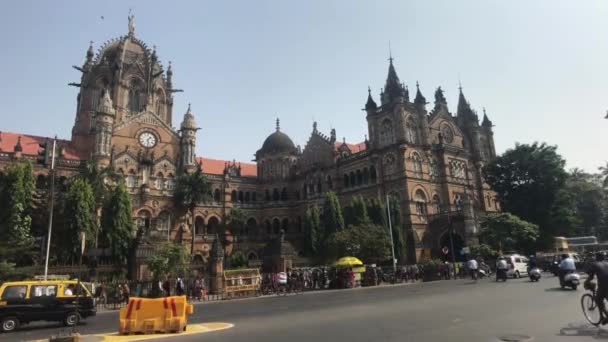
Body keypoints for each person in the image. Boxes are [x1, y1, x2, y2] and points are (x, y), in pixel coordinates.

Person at [585, 252, 608, 324]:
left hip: (604, 286)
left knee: (598, 299)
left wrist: (586, 282)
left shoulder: (595, 264)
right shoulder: (607, 263)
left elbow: (590, 276)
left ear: (596, 257)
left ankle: (606, 316)